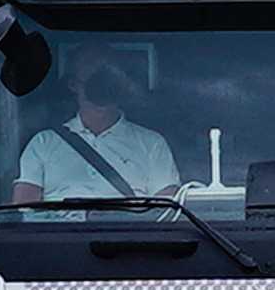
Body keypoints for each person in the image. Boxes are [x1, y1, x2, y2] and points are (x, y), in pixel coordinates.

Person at [17, 50, 176, 201]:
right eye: (93, 72)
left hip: (130, 229)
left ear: (121, 83)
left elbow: (167, 214)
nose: (102, 84)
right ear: (73, 84)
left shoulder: (152, 144)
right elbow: (23, 211)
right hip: (58, 230)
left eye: (107, 74)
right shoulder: (43, 143)